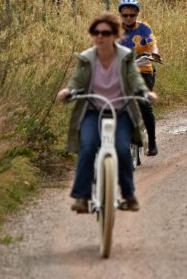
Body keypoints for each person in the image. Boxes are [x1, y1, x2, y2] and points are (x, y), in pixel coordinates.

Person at [56, 14, 157, 213]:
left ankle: (128, 195)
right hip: (93, 111)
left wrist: (145, 93)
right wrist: (68, 91)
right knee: (87, 147)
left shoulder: (125, 57)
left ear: (116, 35)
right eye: (96, 33)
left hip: (121, 110)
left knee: (121, 149)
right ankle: (82, 197)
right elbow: (77, 80)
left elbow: (135, 79)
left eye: (106, 33)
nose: (100, 36)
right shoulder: (86, 58)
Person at [117, 0, 161, 157]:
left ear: (137, 14)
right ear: (121, 15)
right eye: (125, 15)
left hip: (143, 70)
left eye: (132, 15)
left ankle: (152, 142)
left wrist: (154, 53)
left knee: (144, 104)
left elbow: (151, 42)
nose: (129, 18)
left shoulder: (143, 28)